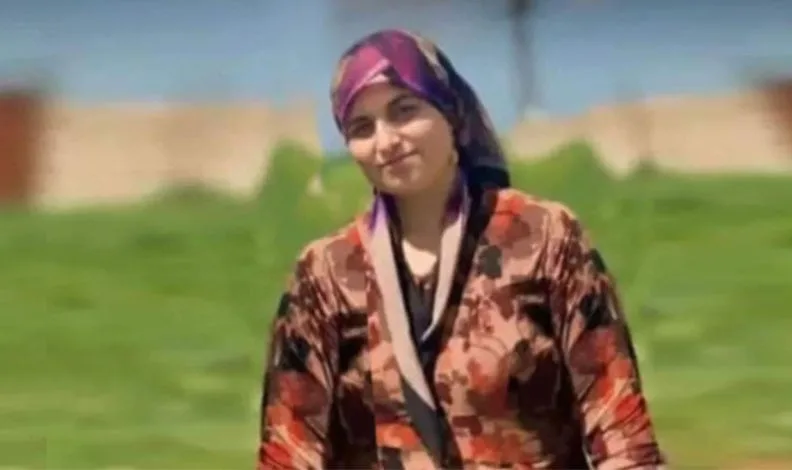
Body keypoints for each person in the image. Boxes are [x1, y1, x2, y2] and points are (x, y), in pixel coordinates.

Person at [257, 29, 666, 469]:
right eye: (362, 127)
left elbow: (620, 430)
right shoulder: (326, 274)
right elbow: (289, 449)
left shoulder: (543, 237)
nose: (386, 141)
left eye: (404, 110)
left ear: (450, 111)